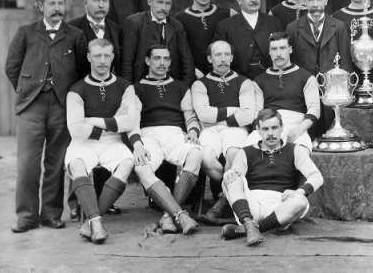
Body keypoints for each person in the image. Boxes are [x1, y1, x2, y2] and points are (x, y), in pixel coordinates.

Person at [6, 0, 87, 233]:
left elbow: (83, 72)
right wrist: (27, 91)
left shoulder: (75, 35)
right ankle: (27, 216)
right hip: (32, 105)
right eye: (51, 4)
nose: (57, 9)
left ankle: (51, 214)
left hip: (62, 107)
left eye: (60, 3)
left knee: (56, 163)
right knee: (28, 163)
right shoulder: (26, 33)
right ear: (41, 6)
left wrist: (72, 101)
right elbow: (12, 67)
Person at [65, 39, 139, 244]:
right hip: (83, 142)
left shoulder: (125, 86)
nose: (102, 61)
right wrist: (113, 120)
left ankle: (91, 220)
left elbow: (128, 122)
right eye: (97, 56)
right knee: (77, 165)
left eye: (107, 55)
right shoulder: (77, 89)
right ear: (89, 57)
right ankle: (96, 222)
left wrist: (89, 120)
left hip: (112, 142)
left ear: (113, 57)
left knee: (127, 163)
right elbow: (76, 129)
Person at [220, 109, 324, 246]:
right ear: (258, 130)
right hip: (251, 204)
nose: (270, 133)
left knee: (301, 201)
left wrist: (299, 192)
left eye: (274, 128)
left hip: (279, 207)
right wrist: (230, 173)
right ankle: (248, 222)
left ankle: (252, 229)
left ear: (282, 128)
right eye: (265, 129)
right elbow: (233, 185)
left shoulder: (294, 150)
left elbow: (316, 176)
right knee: (231, 178)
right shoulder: (246, 152)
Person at [132, 45, 203, 234]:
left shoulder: (180, 87)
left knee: (195, 154)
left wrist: (193, 131)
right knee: (141, 166)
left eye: (166, 59)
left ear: (170, 62)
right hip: (148, 134)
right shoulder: (137, 88)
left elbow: (190, 115)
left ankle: (168, 215)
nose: (162, 63)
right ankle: (180, 215)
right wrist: (137, 144)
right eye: (156, 58)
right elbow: (133, 122)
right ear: (148, 61)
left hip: (174, 133)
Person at [191, 40, 256, 224]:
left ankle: (222, 200)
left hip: (236, 128)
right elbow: (203, 114)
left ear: (232, 57)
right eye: (218, 55)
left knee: (234, 154)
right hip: (209, 130)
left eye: (227, 54)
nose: (223, 59)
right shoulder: (200, 84)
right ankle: (229, 192)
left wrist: (215, 115)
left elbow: (248, 116)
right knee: (205, 158)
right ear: (210, 58)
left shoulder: (244, 82)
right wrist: (235, 109)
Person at [287, 0, 355, 137]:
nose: (315, 4)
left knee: (329, 130)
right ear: (304, 1)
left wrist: (345, 93)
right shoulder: (293, 28)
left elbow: (345, 62)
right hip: (303, 89)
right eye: (311, 0)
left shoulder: (338, 27)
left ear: (326, 0)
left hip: (331, 89)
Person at [247, 32, 320, 151]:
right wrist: (264, 130)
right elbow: (257, 112)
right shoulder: (259, 80)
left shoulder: (306, 77)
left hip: (296, 127)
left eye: (283, 48)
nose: (278, 54)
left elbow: (314, 109)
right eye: (274, 49)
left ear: (290, 49)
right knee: (248, 152)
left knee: (301, 153)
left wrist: (300, 129)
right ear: (269, 51)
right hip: (267, 126)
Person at [121, 0, 196, 87]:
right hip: (141, 86)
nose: (164, 8)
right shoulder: (135, 22)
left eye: (168, 3)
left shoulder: (176, 26)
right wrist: (128, 91)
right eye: (160, 2)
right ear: (149, 2)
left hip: (171, 87)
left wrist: (183, 90)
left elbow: (187, 62)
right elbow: (126, 62)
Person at [213, 0, 284, 80]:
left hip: (271, 82)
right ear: (239, 0)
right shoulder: (225, 26)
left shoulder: (274, 23)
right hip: (237, 83)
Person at [174, 0, 238, 78]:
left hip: (223, 74)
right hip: (194, 75)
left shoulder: (228, 14)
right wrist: (193, 71)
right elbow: (179, 52)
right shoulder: (180, 18)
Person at [68, 0, 123, 78]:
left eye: (104, 1)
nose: (101, 5)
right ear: (85, 3)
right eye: (96, 0)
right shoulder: (71, 28)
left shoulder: (117, 30)